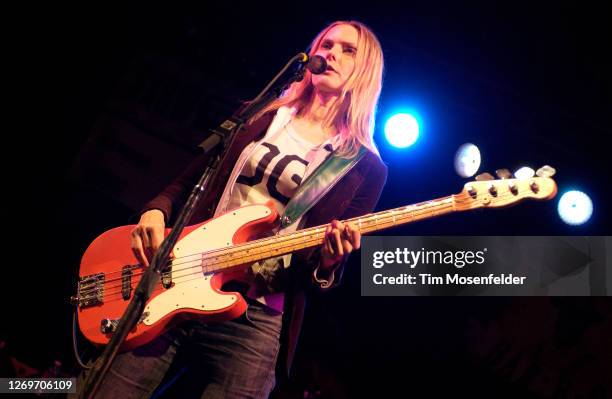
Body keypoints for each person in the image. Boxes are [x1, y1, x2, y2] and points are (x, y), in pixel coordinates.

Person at [76, 20, 387, 398]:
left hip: (256, 312)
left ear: (366, 70)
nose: (330, 54)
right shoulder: (262, 115)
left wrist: (329, 261)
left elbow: (318, 268)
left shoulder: (363, 167)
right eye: (326, 44)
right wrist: (155, 211)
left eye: (347, 50)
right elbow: (188, 180)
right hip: (179, 277)